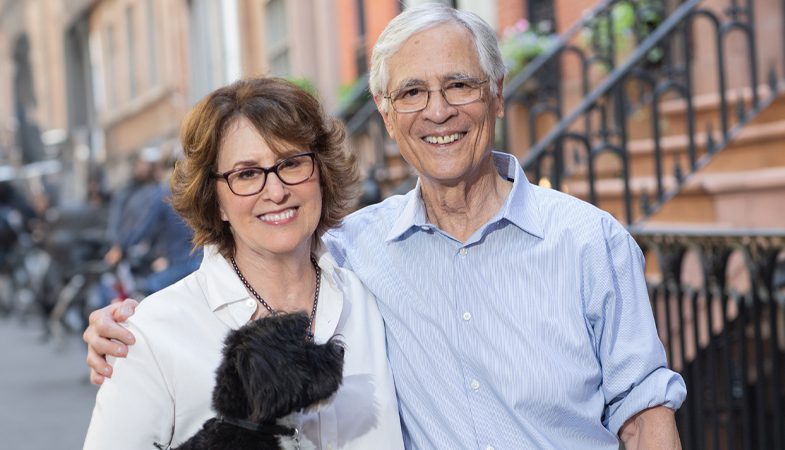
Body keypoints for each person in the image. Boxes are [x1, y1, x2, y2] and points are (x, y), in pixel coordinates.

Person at [83, 4, 686, 449]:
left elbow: (645, 412)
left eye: (459, 85)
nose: (438, 110)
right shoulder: (358, 250)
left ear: (498, 94)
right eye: (413, 92)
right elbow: (248, 260)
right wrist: (123, 328)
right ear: (387, 114)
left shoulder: (589, 241)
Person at [83, 77, 403, 449]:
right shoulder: (153, 335)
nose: (277, 190)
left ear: (321, 172)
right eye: (247, 174)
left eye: (292, 163)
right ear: (215, 200)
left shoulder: (376, 296)